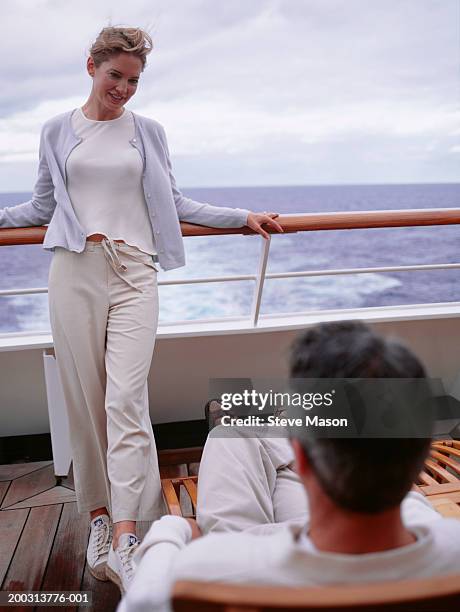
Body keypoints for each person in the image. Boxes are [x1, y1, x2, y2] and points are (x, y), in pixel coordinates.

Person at [0, 26, 283, 593]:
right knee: (86, 406)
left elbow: (174, 203)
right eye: (115, 77)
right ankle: (100, 523)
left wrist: (239, 216)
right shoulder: (57, 131)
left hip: (135, 274)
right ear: (91, 67)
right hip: (75, 271)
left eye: (133, 80)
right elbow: (41, 205)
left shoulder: (147, 133)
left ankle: (129, 538)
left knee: (125, 400)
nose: (124, 89)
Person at [117, 321, 460, 611]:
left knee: (229, 434)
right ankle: (291, 432)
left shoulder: (205, 571)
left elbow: (142, 601)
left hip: (274, 547)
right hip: (397, 526)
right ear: (421, 458)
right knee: (406, 500)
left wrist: (171, 530)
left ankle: (280, 430)